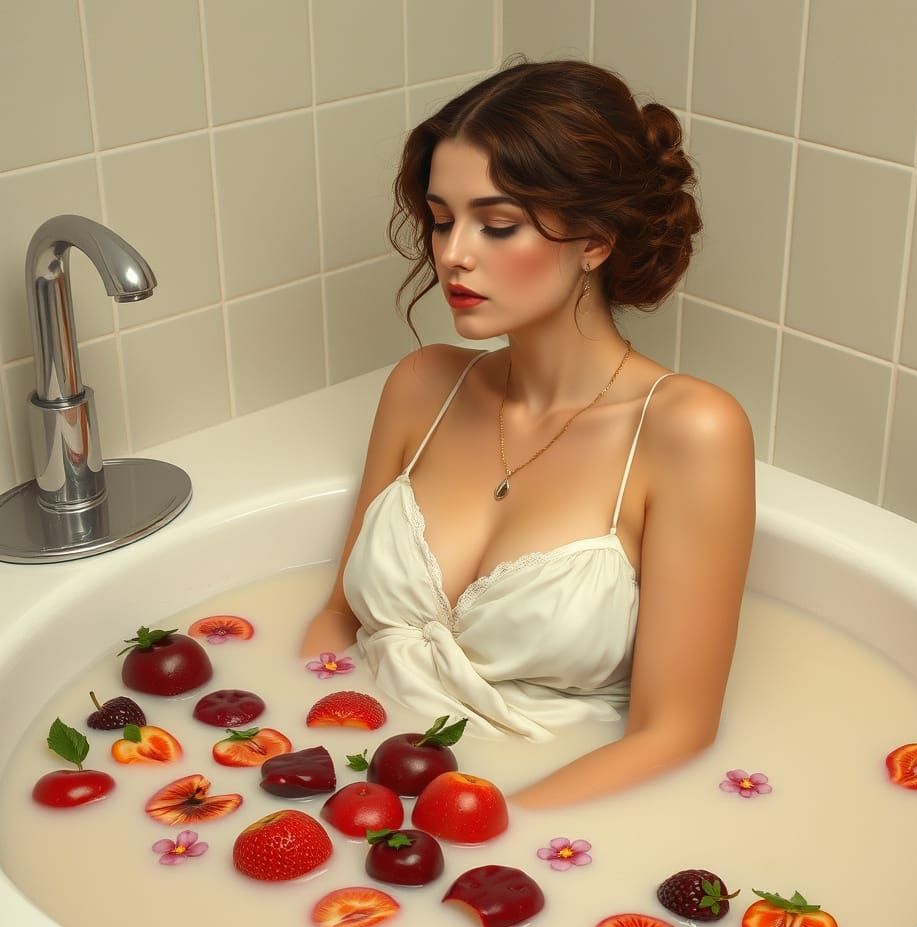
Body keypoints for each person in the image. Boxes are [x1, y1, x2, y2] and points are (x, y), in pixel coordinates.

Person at [300, 58, 756, 810]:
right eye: (443, 219)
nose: (452, 254)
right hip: (360, 780)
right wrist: (291, 740)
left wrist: (479, 830)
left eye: (498, 224)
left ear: (596, 241)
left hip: (534, 819)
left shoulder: (688, 432)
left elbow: (673, 732)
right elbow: (338, 617)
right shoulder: (423, 387)